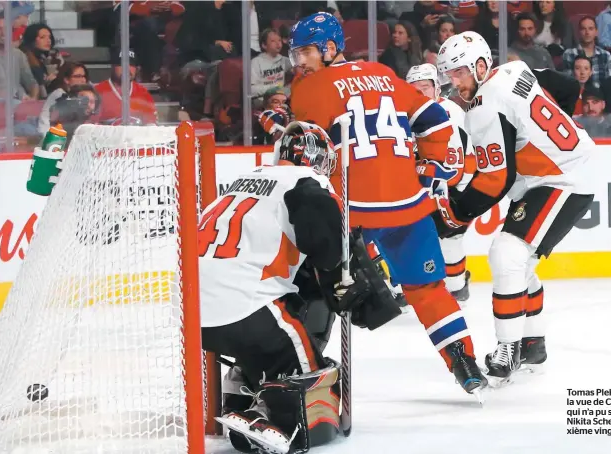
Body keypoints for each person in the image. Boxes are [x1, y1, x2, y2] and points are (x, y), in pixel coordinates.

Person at [288, 12, 487, 397]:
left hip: (350, 210)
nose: (300, 62)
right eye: (296, 54)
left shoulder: (310, 88)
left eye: (307, 52)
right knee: (428, 289)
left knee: (317, 287)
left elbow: (304, 150)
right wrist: (428, 171)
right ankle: (463, 361)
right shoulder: (383, 73)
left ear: (330, 49)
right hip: (408, 205)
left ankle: (301, 369)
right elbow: (435, 119)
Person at [437, 31, 595, 382]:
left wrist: (455, 213)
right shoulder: (515, 69)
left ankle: (508, 350)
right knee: (518, 261)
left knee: (507, 252)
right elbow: (568, 87)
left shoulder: (483, 108)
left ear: (480, 66)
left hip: (562, 178)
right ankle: (533, 342)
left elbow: (496, 180)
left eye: (459, 72)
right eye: (450, 75)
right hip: (559, 170)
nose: (455, 82)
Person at [200, 122, 343, 454]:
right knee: (306, 362)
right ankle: (274, 416)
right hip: (242, 309)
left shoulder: (240, 182)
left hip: (191, 314)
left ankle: (238, 388)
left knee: (262, 328)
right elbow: (331, 254)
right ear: (319, 159)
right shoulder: (307, 182)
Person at [406, 63, 475, 302]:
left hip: (453, 189)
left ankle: (458, 285)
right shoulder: (404, 115)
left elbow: (454, 168)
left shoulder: (449, 112)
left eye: (425, 87)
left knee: (450, 240)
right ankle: (402, 288)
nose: (420, 93)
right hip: (422, 187)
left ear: (436, 88)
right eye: (414, 89)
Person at [94, 49, 157, 125]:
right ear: (113, 67)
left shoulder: (143, 93)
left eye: (131, 64)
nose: (127, 68)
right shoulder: (98, 92)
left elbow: (151, 125)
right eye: (122, 64)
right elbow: (92, 126)